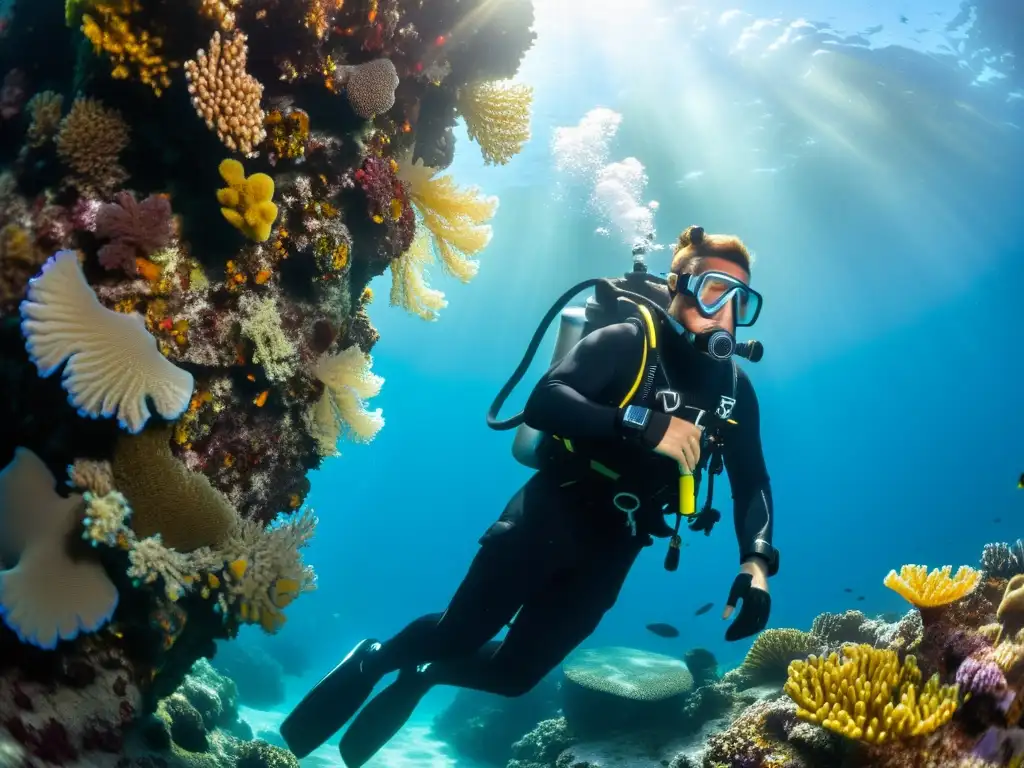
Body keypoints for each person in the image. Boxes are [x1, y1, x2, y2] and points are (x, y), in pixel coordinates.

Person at [280, 225, 780, 766]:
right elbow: (546, 400)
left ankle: (424, 677)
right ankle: (376, 659)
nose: (726, 310)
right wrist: (643, 422)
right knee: (458, 634)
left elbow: (751, 479)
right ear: (679, 286)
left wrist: (755, 562)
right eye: (713, 290)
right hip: (553, 507)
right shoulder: (630, 341)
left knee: (516, 677)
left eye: (741, 299)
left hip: (620, 541)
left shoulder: (736, 390)